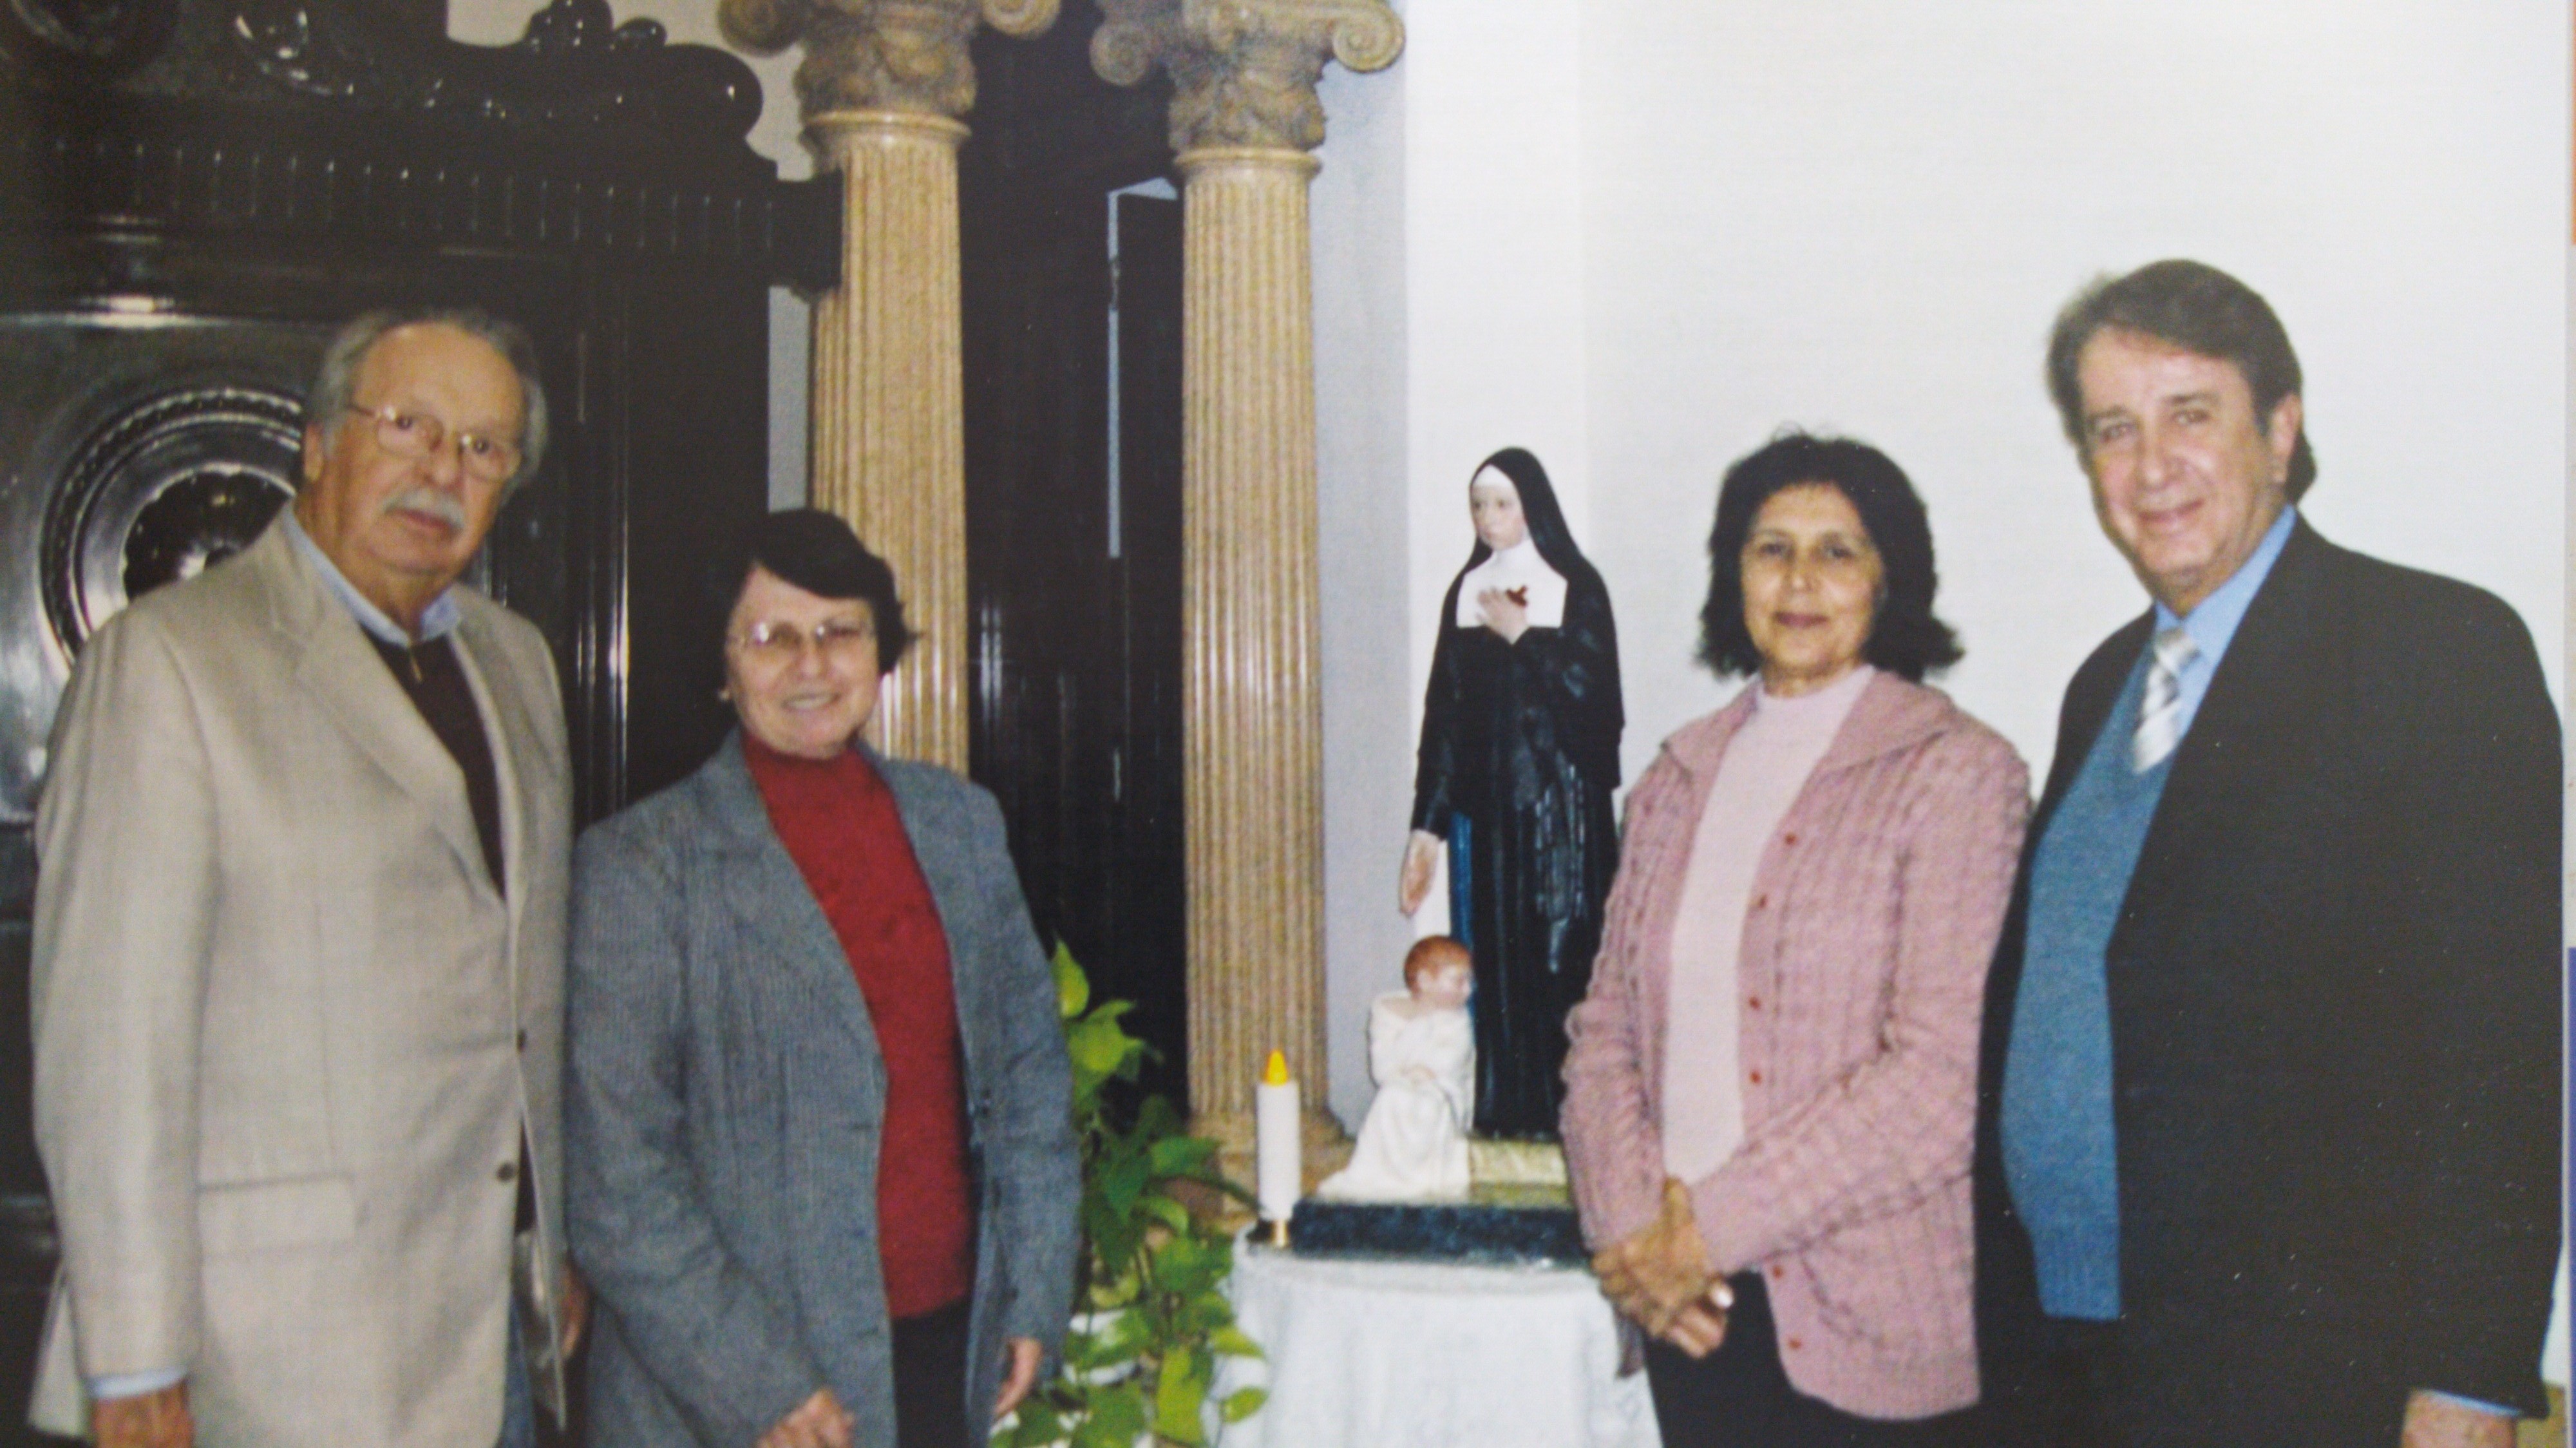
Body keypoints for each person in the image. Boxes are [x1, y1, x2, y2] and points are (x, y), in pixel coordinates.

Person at [1972, 260, 2560, 1448]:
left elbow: (2499, 1052)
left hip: (2310, 1375)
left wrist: (2471, 1375)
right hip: (2072, 1361)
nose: (2152, 466)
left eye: (2190, 414)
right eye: (2114, 429)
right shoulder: (2103, 685)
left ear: (2281, 430)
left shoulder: (2436, 651)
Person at [28, 309, 579, 1448]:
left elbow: (520, 1006)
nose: (443, 472)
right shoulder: (173, 662)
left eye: (484, 447)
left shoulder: (516, 664)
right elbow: (110, 1048)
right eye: (409, 425)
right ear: (320, 444)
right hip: (273, 1358)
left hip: (492, 1342)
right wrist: (135, 1359)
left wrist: (543, 1244)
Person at [565, 509, 1079, 1448]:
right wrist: (755, 1382)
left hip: (944, 1348)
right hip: (734, 1397)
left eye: (841, 630)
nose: (812, 665)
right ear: (722, 667)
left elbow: (1029, 1077)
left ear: (881, 654)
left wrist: (1033, 1292)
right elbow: (618, 1181)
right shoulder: (640, 865)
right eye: (772, 637)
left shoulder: (961, 825)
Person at [1562, 433, 2028, 1447]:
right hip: (1689, 1313)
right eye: (1772, 549)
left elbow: (1941, 1084)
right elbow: (1605, 1035)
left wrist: (1705, 1232)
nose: (1801, 580)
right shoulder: (1674, 779)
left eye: (1838, 552)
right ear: (1734, 576)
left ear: (1889, 581)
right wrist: (1635, 1242)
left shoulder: (1958, 774)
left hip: (1871, 1325)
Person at [1400, 446, 1624, 1138]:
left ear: (1533, 506)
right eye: (1478, 505)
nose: (1488, 517)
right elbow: (1444, 717)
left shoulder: (1575, 586)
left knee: (1561, 963)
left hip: (1562, 816)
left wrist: (1526, 637)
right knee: (1493, 969)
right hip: (1488, 820)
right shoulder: (1467, 590)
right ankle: (1504, 1120)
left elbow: (1599, 705)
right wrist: (1427, 829)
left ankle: (1573, 1127)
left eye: (1502, 503)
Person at [1319, 935, 1477, 1201]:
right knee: (1392, 1099)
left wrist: (1424, 1075)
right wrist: (1420, 1029)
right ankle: (1387, 1178)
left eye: (1469, 981)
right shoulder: (1388, 1012)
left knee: (1426, 1107)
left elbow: (1451, 1062)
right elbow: (1384, 1068)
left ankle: (1418, 1180)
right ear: (1425, 981)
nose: (1468, 990)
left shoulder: (1458, 1021)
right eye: (1458, 981)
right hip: (1401, 1087)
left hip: (1442, 1092)